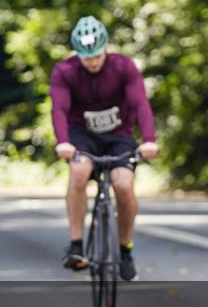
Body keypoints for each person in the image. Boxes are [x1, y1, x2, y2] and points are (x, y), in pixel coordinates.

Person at [50, 16, 158, 281]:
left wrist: (149, 139)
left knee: (122, 184)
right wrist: (63, 141)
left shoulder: (124, 66)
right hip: (81, 134)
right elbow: (59, 108)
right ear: (78, 53)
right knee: (78, 172)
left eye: (97, 56)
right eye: (87, 58)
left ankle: (126, 249)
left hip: (118, 134)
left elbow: (140, 103)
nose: (93, 62)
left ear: (106, 47)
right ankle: (76, 245)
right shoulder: (65, 71)